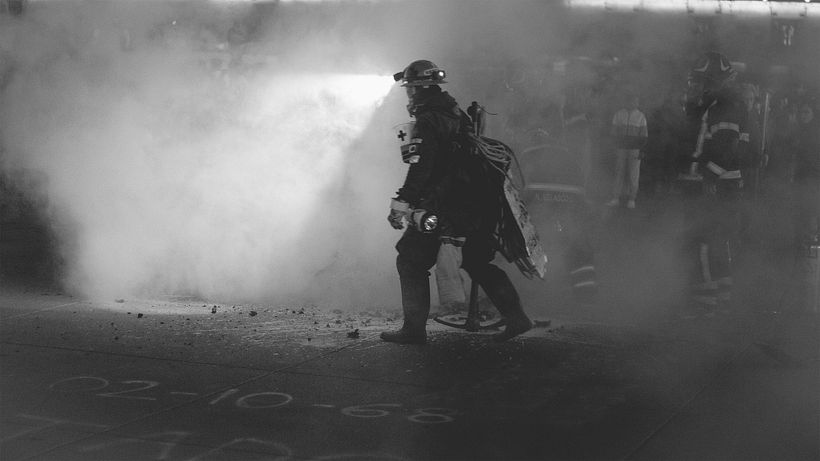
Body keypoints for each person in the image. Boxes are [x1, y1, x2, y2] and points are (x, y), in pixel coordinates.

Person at [382, 59, 533, 345]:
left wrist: (402, 202)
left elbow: (422, 167)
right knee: (476, 260)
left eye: (410, 89)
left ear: (419, 89)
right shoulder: (456, 113)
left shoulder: (429, 120)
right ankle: (517, 318)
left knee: (411, 260)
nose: (408, 94)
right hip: (473, 203)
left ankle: (413, 330)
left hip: (443, 205)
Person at [681, 52, 749, 306]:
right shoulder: (712, 106)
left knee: (708, 243)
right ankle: (713, 300)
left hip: (719, 189)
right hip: (712, 186)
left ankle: (710, 302)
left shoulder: (725, 106)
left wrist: (709, 177)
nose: (696, 86)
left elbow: (728, 148)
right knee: (707, 242)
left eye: (701, 81)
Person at [606, 91, 648, 209]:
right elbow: (613, 133)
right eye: (633, 100)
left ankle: (631, 199)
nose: (635, 103)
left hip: (635, 150)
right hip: (621, 149)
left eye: (636, 101)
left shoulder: (641, 116)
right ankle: (615, 198)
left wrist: (641, 150)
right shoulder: (619, 114)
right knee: (618, 172)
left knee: (633, 174)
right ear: (627, 101)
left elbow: (644, 136)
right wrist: (615, 146)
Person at [790, 101, 820, 257]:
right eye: (801, 112)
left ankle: (809, 243)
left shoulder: (813, 132)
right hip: (802, 178)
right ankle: (803, 243)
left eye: (806, 112)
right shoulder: (801, 131)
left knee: (809, 211)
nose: (803, 116)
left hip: (811, 178)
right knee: (803, 211)